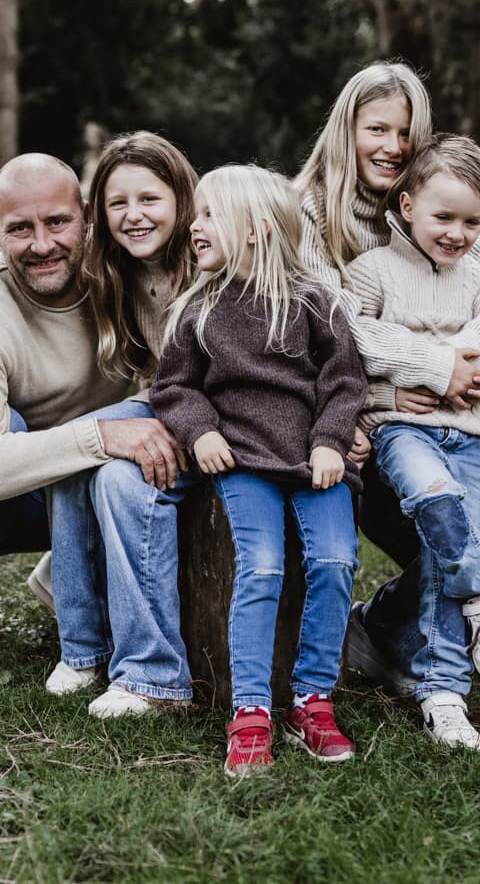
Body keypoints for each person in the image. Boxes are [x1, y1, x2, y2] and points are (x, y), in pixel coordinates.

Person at [293, 62, 480, 750]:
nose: (391, 145)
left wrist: (477, 362)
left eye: (405, 132)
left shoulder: (435, 206)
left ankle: (381, 628)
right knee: (465, 516)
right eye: (376, 128)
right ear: (345, 128)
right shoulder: (309, 213)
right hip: (351, 424)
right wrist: (424, 374)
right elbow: (330, 331)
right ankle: (444, 674)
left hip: (452, 422)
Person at [0, 153, 194, 719]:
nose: (42, 244)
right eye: (20, 229)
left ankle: (75, 573)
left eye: (57, 222)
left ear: (86, 216)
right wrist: (98, 437)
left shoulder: (122, 278)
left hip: (71, 484)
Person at [152, 165, 366, 777]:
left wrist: (330, 441)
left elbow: (345, 382)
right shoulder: (198, 310)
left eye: (210, 214)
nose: (195, 226)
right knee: (263, 565)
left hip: (314, 462)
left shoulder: (315, 303)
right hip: (242, 462)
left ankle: (312, 699)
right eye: (197, 215)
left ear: (257, 228)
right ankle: (250, 710)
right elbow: (173, 387)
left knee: (334, 560)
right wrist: (202, 431)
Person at [346, 134, 480, 692]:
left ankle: (425, 669)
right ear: (407, 206)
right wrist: (388, 398)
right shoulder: (371, 272)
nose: (457, 234)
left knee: (470, 534)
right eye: (443, 217)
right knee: (439, 502)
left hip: (471, 436)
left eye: (472, 223)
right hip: (403, 432)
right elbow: (347, 353)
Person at [23, 131, 197, 623]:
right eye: (118, 203)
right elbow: (35, 242)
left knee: (100, 458)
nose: (133, 215)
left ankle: (73, 586)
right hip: (162, 400)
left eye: (149, 199)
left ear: (182, 198)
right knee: (75, 447)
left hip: (216, 416)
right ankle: (79, 639)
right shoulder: (118, 266)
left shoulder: (209, 259)